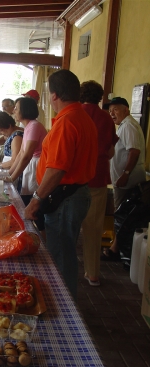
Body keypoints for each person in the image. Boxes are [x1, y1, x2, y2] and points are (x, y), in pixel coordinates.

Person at [24, 69, 98, 300]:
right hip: (75, 195)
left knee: (61, 258)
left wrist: (36, 200)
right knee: (64, 253)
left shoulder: (67, 122)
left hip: (65, 197)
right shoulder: (83, 117)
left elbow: (57, 169)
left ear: (54, 95)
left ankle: (63, 308)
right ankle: (64, 302)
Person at [79, 81, 118, 286]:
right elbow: (111, 151)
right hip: (98, 177)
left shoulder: (73, 114)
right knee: (93, 228)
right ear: (100, 96)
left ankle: (63, 270)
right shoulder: (106, 118)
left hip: (74, 179)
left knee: (70, 226)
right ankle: (92, 273)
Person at [101, 97, 146, 261]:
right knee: (123, 214)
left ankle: (115, 249)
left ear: (126, 109)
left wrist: (125, 174)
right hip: (124, 179)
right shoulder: (126, 126)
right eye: (110, 110)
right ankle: (117, 246)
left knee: (122, 214)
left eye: (116, 109)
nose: (112, 113)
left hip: (127, 180)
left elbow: (134, 151)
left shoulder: (128, 126)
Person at [7, 97, 47, 233]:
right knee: (26, 201)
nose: (14, 111)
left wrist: (12, 178)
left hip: (37, 166)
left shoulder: (34, 126)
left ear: (25, 110)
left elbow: (27, 155)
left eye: (16, 108)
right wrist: (9, 175)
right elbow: (21, 154)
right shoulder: (28, 126)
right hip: (31, 166)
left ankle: (41, 241)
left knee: (35, 207)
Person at [0, 111, 23, 191]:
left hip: (15, 173)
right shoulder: (11, 132)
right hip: (9, 171)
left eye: (0, 130)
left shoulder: (17, 137)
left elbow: (14, 161)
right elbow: (4, 138)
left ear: (8, 125)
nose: (0, 133)